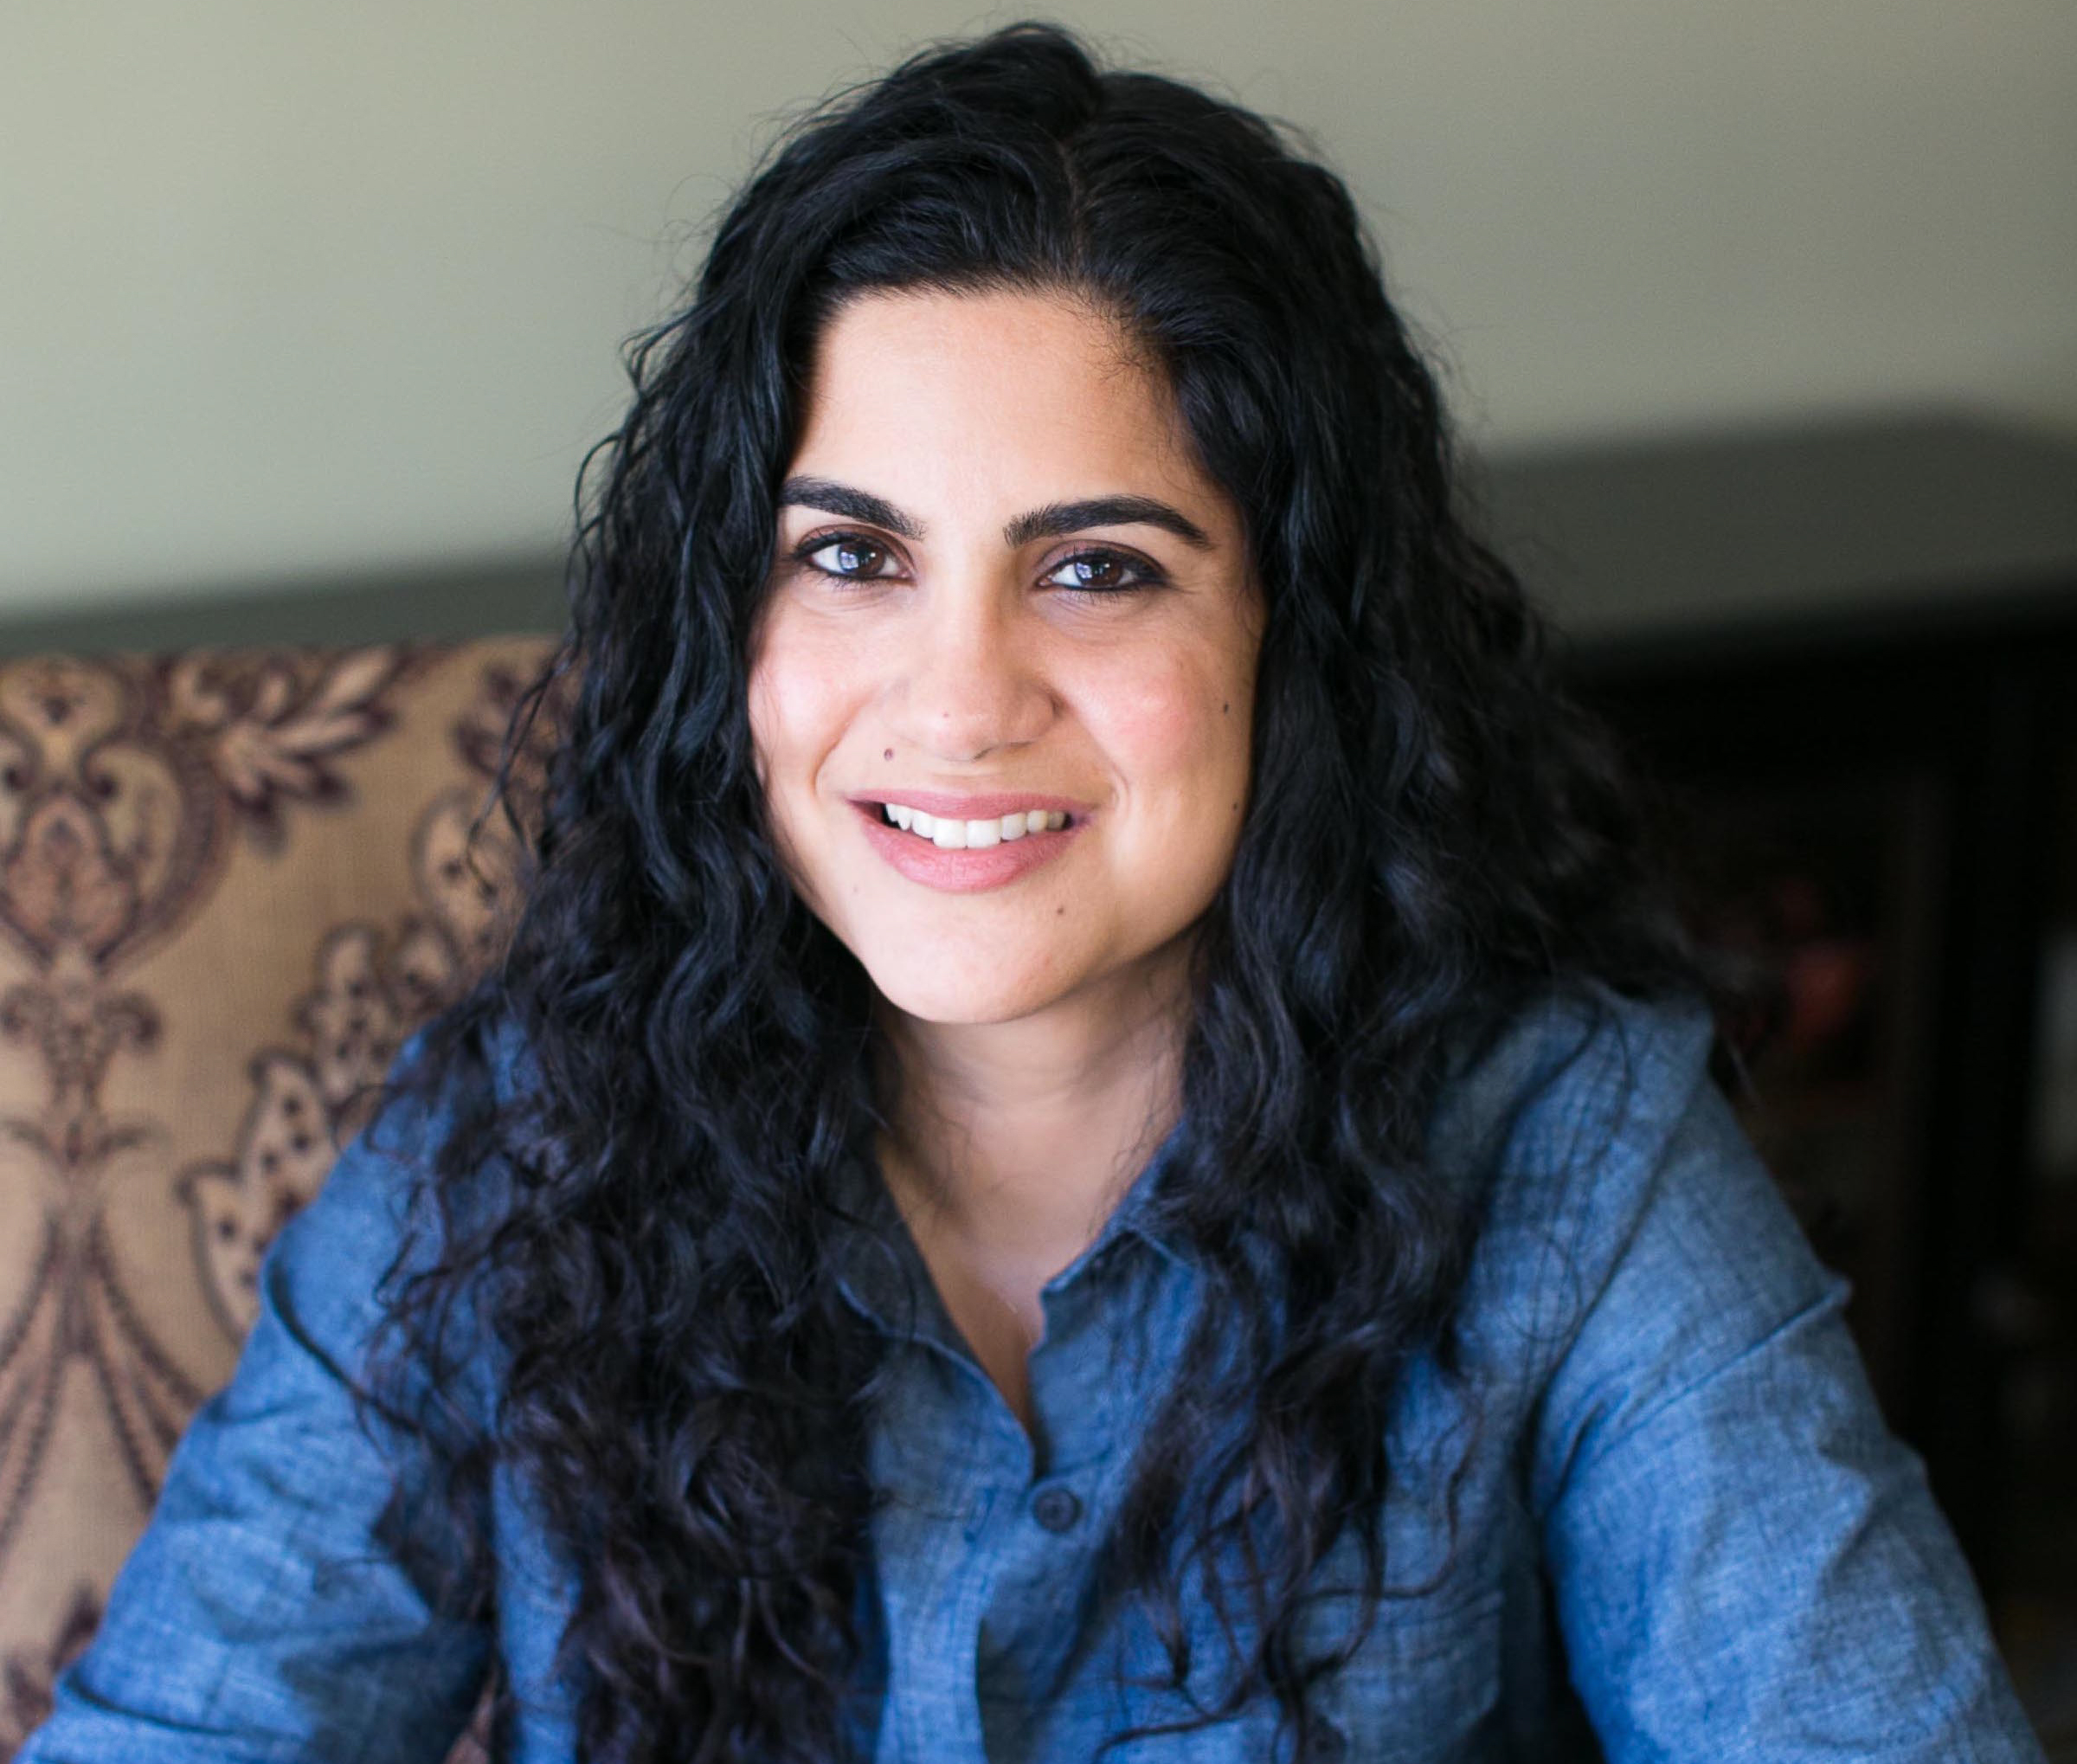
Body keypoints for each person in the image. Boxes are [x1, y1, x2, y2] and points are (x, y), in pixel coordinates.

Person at [20, 21, 2047, 1764]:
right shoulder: (514, 1145)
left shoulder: (1568, 1159)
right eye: (851, 554)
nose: (959, 700)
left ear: (1294, 643)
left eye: (1097, 567)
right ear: (731, 626)